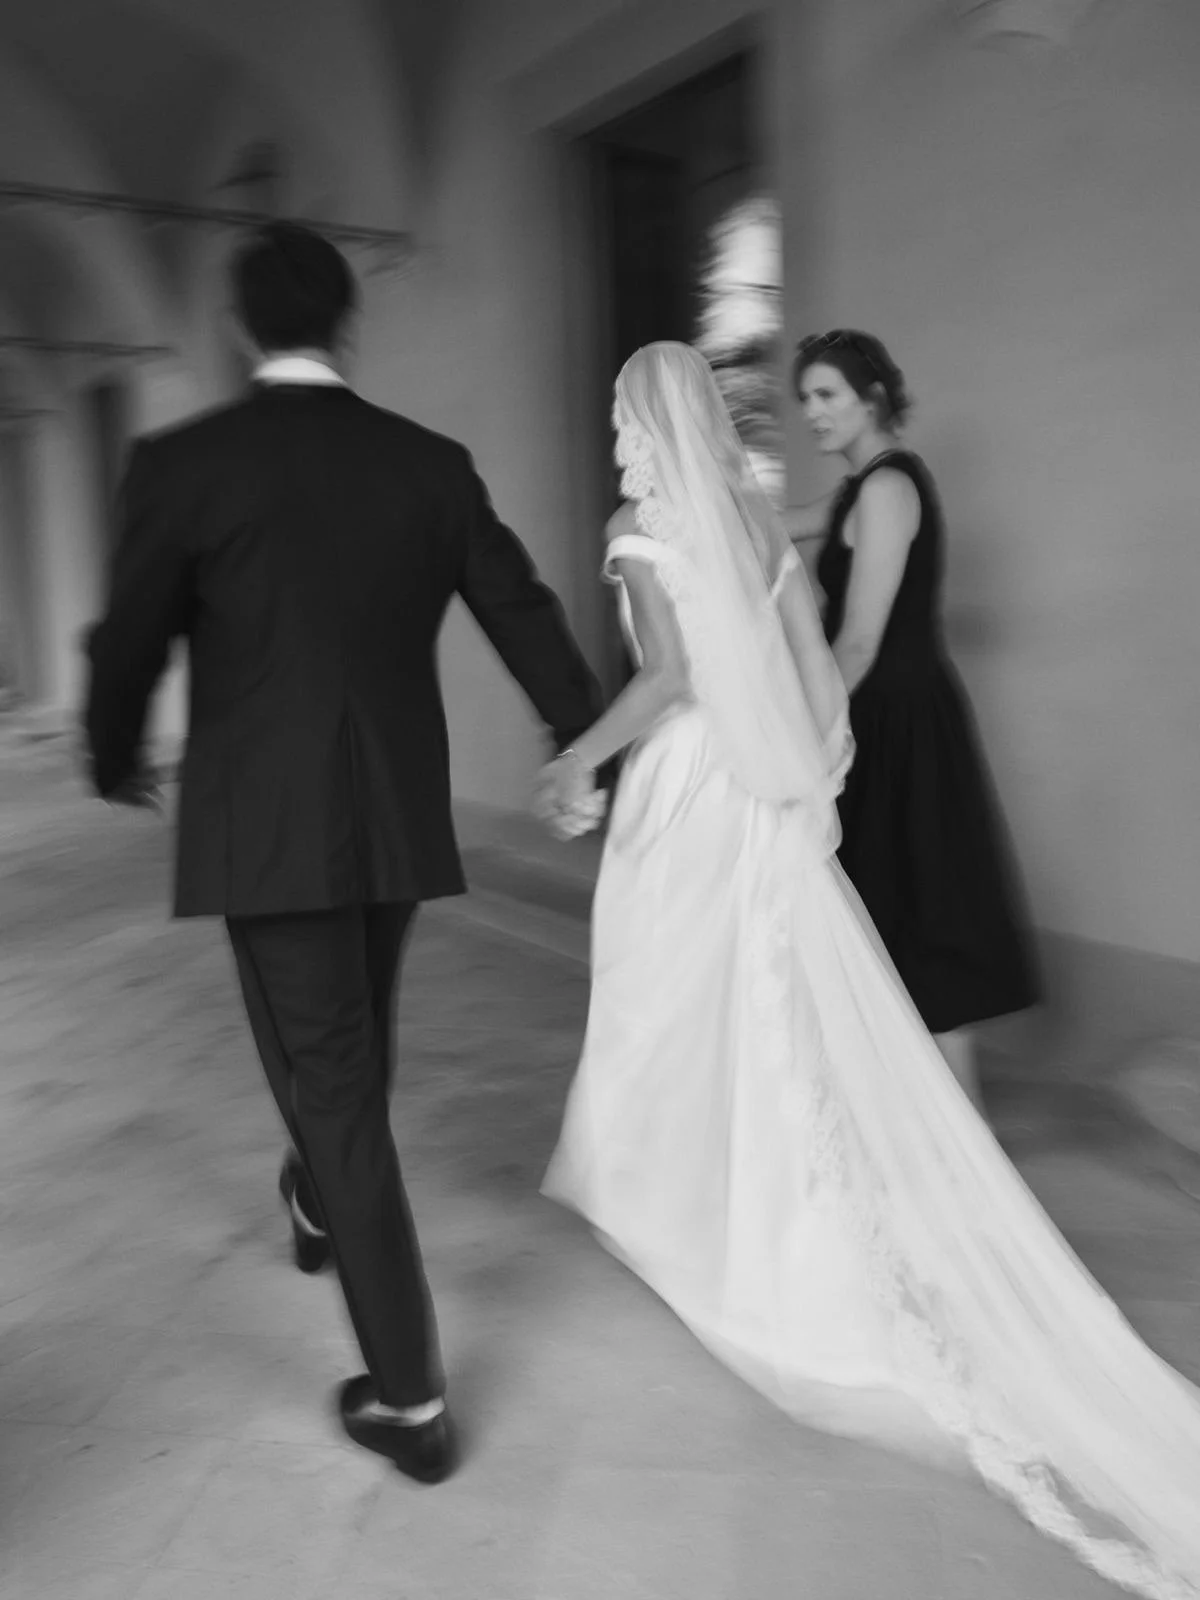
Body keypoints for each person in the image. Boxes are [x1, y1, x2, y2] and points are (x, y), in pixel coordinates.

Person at [537, 342, 1200, 1600]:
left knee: (677, 1001)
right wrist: (803, 768)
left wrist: (579, 757)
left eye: (625, 416)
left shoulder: (639, 526)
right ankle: (773, 1205)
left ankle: (702, 1215)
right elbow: (812, 660)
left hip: (686, 786)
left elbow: (667, 675)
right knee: (770, 1002)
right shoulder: (753, 518)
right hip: (757, 794)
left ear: (638, 424)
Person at [83, 222, 602, 1483]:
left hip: (268, 826)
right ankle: (319, 1194)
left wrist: (112, 753)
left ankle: (410, 1398)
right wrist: (585, 735)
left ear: (241, 328)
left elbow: (132, 631)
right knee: (350, 1044)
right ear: (346, 324)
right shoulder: (427, 462)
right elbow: (519, 603)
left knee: (334, 1084)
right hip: (394, 811)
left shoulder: (184, 463)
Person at [786, 329, 1039, 1110]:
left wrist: (802, 736)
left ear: (871, 400)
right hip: (873, 714)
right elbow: (773, 526)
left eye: (826, 395)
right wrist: (677, 499)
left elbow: (860, 639)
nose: (811, 412)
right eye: (804, 398)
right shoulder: (854, 491)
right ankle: (907, 1119)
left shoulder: (889, 488)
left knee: (921, 912)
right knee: (884, 910)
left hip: (899, 720)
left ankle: (963, 1132)